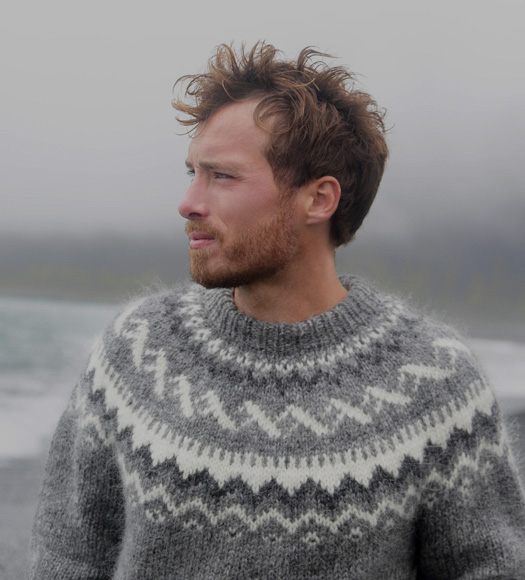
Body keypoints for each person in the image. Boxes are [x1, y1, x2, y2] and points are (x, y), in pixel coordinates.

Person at [29, 42, 525, 579]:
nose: (188, 202)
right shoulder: (134, 351)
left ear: (318, 199)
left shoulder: (437, 380)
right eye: (192, 172)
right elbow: (67, 555)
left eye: (222, 176)